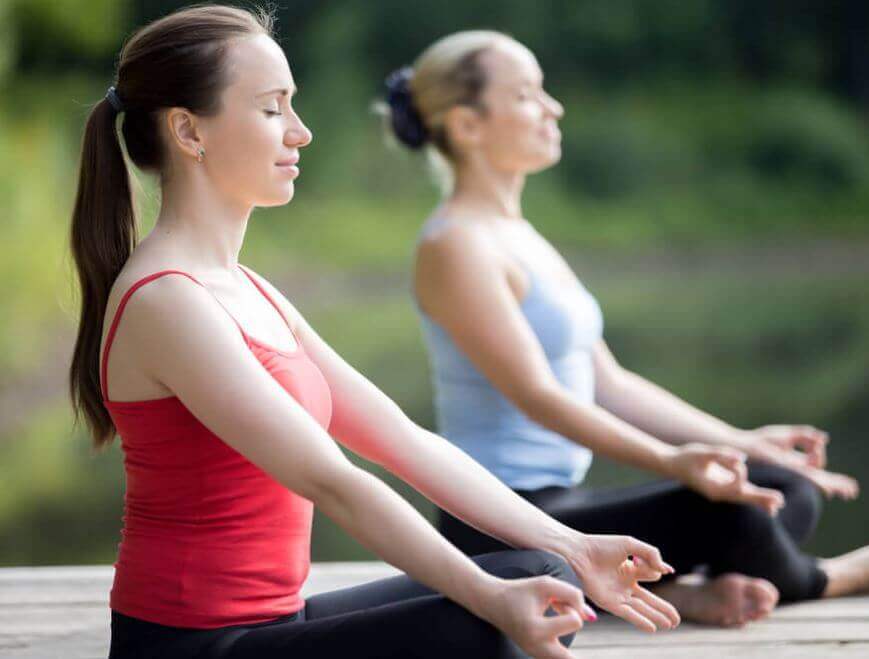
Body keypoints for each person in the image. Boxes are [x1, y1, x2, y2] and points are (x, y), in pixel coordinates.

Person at [67, 7, 680, 658]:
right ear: (190, 131)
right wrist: (483, 593)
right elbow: (334, 481)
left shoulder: (247, 288)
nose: (300, 133)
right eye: (273, 109)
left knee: (543, 574)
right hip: (193, 646)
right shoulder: (167, 300)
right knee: (491, 617)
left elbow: (404, 440)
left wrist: (573, 544)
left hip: (278, 622)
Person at [382, 29, 869, 628]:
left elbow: (609, 382)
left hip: (564, 499)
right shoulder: (455, 245)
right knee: (737, 516)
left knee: (782, 485)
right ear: (467, 125)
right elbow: (537, 396)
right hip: (500, 523)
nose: (552, 107)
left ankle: (678, 589)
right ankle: (822, 578)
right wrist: (673, 462)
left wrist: (741, 444)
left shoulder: (518, 234)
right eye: (527, 95)